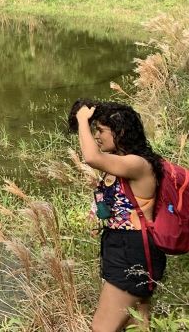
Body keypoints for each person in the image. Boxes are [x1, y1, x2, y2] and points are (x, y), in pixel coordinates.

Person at [70, 99, 166, 332]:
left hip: (132, 250)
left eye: (101, 131)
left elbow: (92, 157)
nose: (97, 137)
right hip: (127, 247)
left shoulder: (137, 164)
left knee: (101, 328)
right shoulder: (124, 163)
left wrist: (83, 120)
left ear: (120, 132)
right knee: (137, 323)